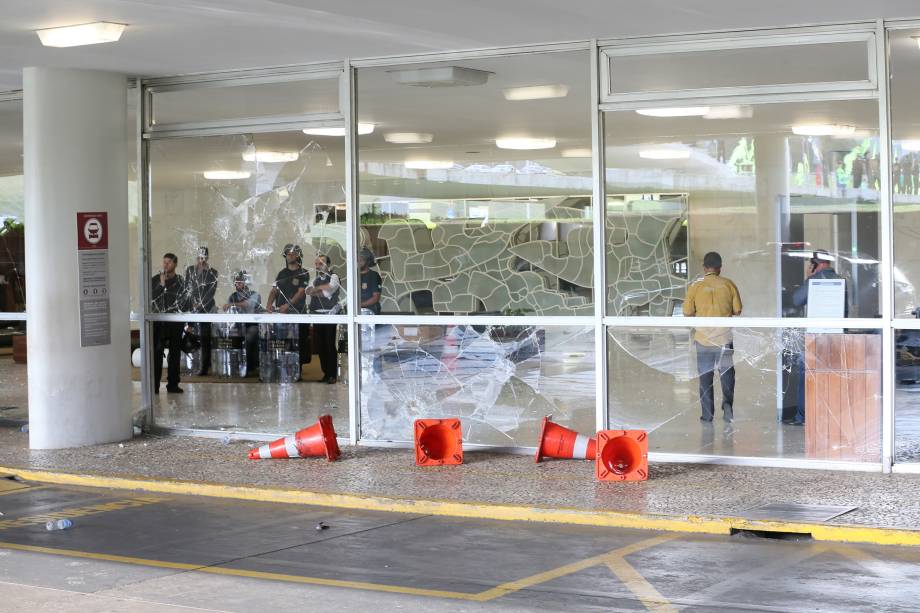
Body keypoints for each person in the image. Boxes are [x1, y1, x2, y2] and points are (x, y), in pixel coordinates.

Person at [787, 250, 848, 426]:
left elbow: (796, 300)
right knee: (832, 376)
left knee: (806, 375)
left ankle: (803, 416)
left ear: (816, 264)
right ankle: (831, 414)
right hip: (836, 336)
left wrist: (808, 278)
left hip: (816, 337)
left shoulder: (813, 280)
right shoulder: (841, 280)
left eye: (811, 264)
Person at [683, 251, 742, 423]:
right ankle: (728, 406)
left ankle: (707, 415)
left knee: (705, 378)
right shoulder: (729, 284)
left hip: (703, 339)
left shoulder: (695, 286)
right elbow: (738, 310)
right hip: (724, 339)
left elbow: (687, 312)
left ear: (704, 268)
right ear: (720, 267)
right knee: (727, 375)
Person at [266, 243, 310, 365]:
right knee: (282, 343)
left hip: (297, 314)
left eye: (292, 254)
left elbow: (301, 292)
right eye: (287, 254)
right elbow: (274, 290)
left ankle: (296, 370)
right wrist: (269, 304)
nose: (290, 256)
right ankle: (282, 367)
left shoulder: (304, 273)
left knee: (296, 345)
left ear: (298, 255)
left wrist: (287, 306)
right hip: (281, 314)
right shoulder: (281, 273)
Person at [150, 253, 187, 394]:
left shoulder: (181, 281)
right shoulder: (155, 280)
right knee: (157, 353)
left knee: (175, 354)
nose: (165, 265)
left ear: (175, 264)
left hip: (175, 322)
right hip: (159, 322)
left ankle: (173, 384)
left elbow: (185, 301)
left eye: (169, 262)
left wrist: (189, 323)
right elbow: (152, 298)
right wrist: (161, 284)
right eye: (164, 262)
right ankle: (154, 385)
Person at [184, 246, 218, 376]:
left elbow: (211, 292)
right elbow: (187, 288)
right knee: (188, 332)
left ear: (207, 257)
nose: (201, 260)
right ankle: (190, 363)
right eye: (199, 257)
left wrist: (200, 304)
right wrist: (192, 303)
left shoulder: (212, 272)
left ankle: (204, 366)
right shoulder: (190, 270)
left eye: (203, 257)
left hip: (206, 308)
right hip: (192, 306)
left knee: (205, 335)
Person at [308, 254, 341, 383]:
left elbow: (328, 293)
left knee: (329, 344)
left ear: (328, 265)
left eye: (321, 263)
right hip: (316, 315)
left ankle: (332, 374)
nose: (318, 266)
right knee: (320, 345)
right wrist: (319, 290)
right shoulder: (314, 278)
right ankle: (326, 373)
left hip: (329, 315)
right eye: (316, 264)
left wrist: (315, 290)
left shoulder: (334, 277)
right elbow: (307, 291)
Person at [224, 270, 261, 376]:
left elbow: (248, 305)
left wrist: (232, 304)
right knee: (228, 336)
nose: (237, 284)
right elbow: (228, 310)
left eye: (239, 282)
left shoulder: (255, 294)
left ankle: (250, 366)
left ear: (246, 282)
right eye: (236, 282)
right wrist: (227, 307)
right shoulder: (232, 296)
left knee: (249, 336)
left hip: (251, 326)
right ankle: (233, 365)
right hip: (237, 326)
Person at [359, 248, 382, 314]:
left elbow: (376, 297)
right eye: (357, 260)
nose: (358, 262)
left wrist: (359, 305)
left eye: (361, 260)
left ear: (368, 261)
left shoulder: (374, 275)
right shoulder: (354, 276)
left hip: (370, 311)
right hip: (356, 311)